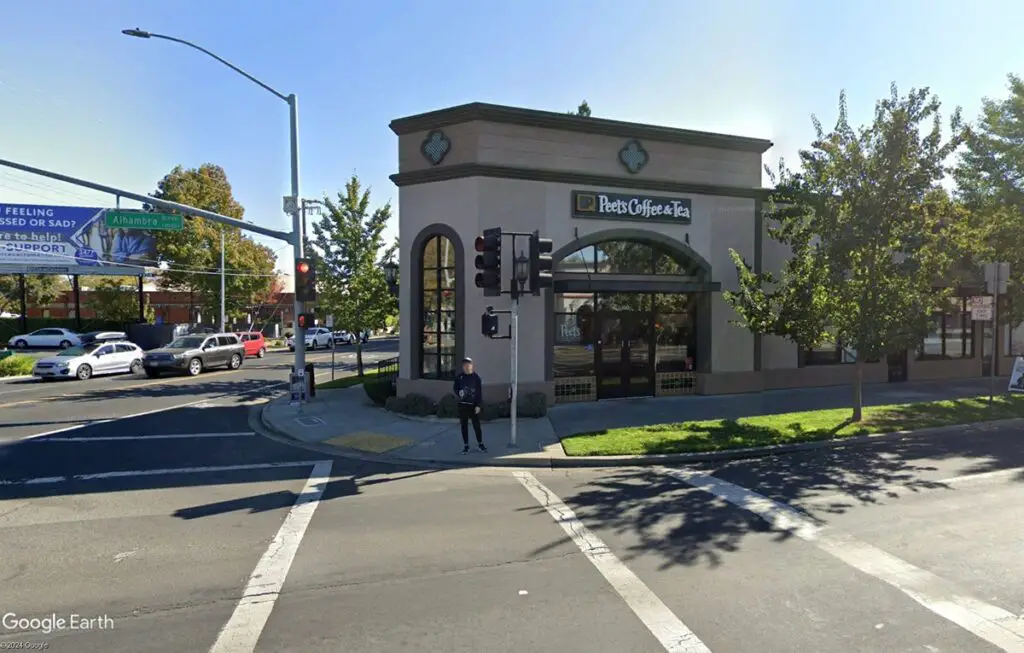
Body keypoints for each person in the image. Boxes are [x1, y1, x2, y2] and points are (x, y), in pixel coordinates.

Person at [453, 357, 486, 454]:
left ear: (472, 366)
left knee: (476, 426)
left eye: (468, 365)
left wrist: (478, 405)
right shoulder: (460, 377)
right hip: (463, 405)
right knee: (464, 426)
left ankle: (480, 444)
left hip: (473, 405)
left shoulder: (476, 378)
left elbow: (479, 393)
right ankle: (466, 445)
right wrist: (459, 392)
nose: (466, 367)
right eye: (464, 365)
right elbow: (455, 388)